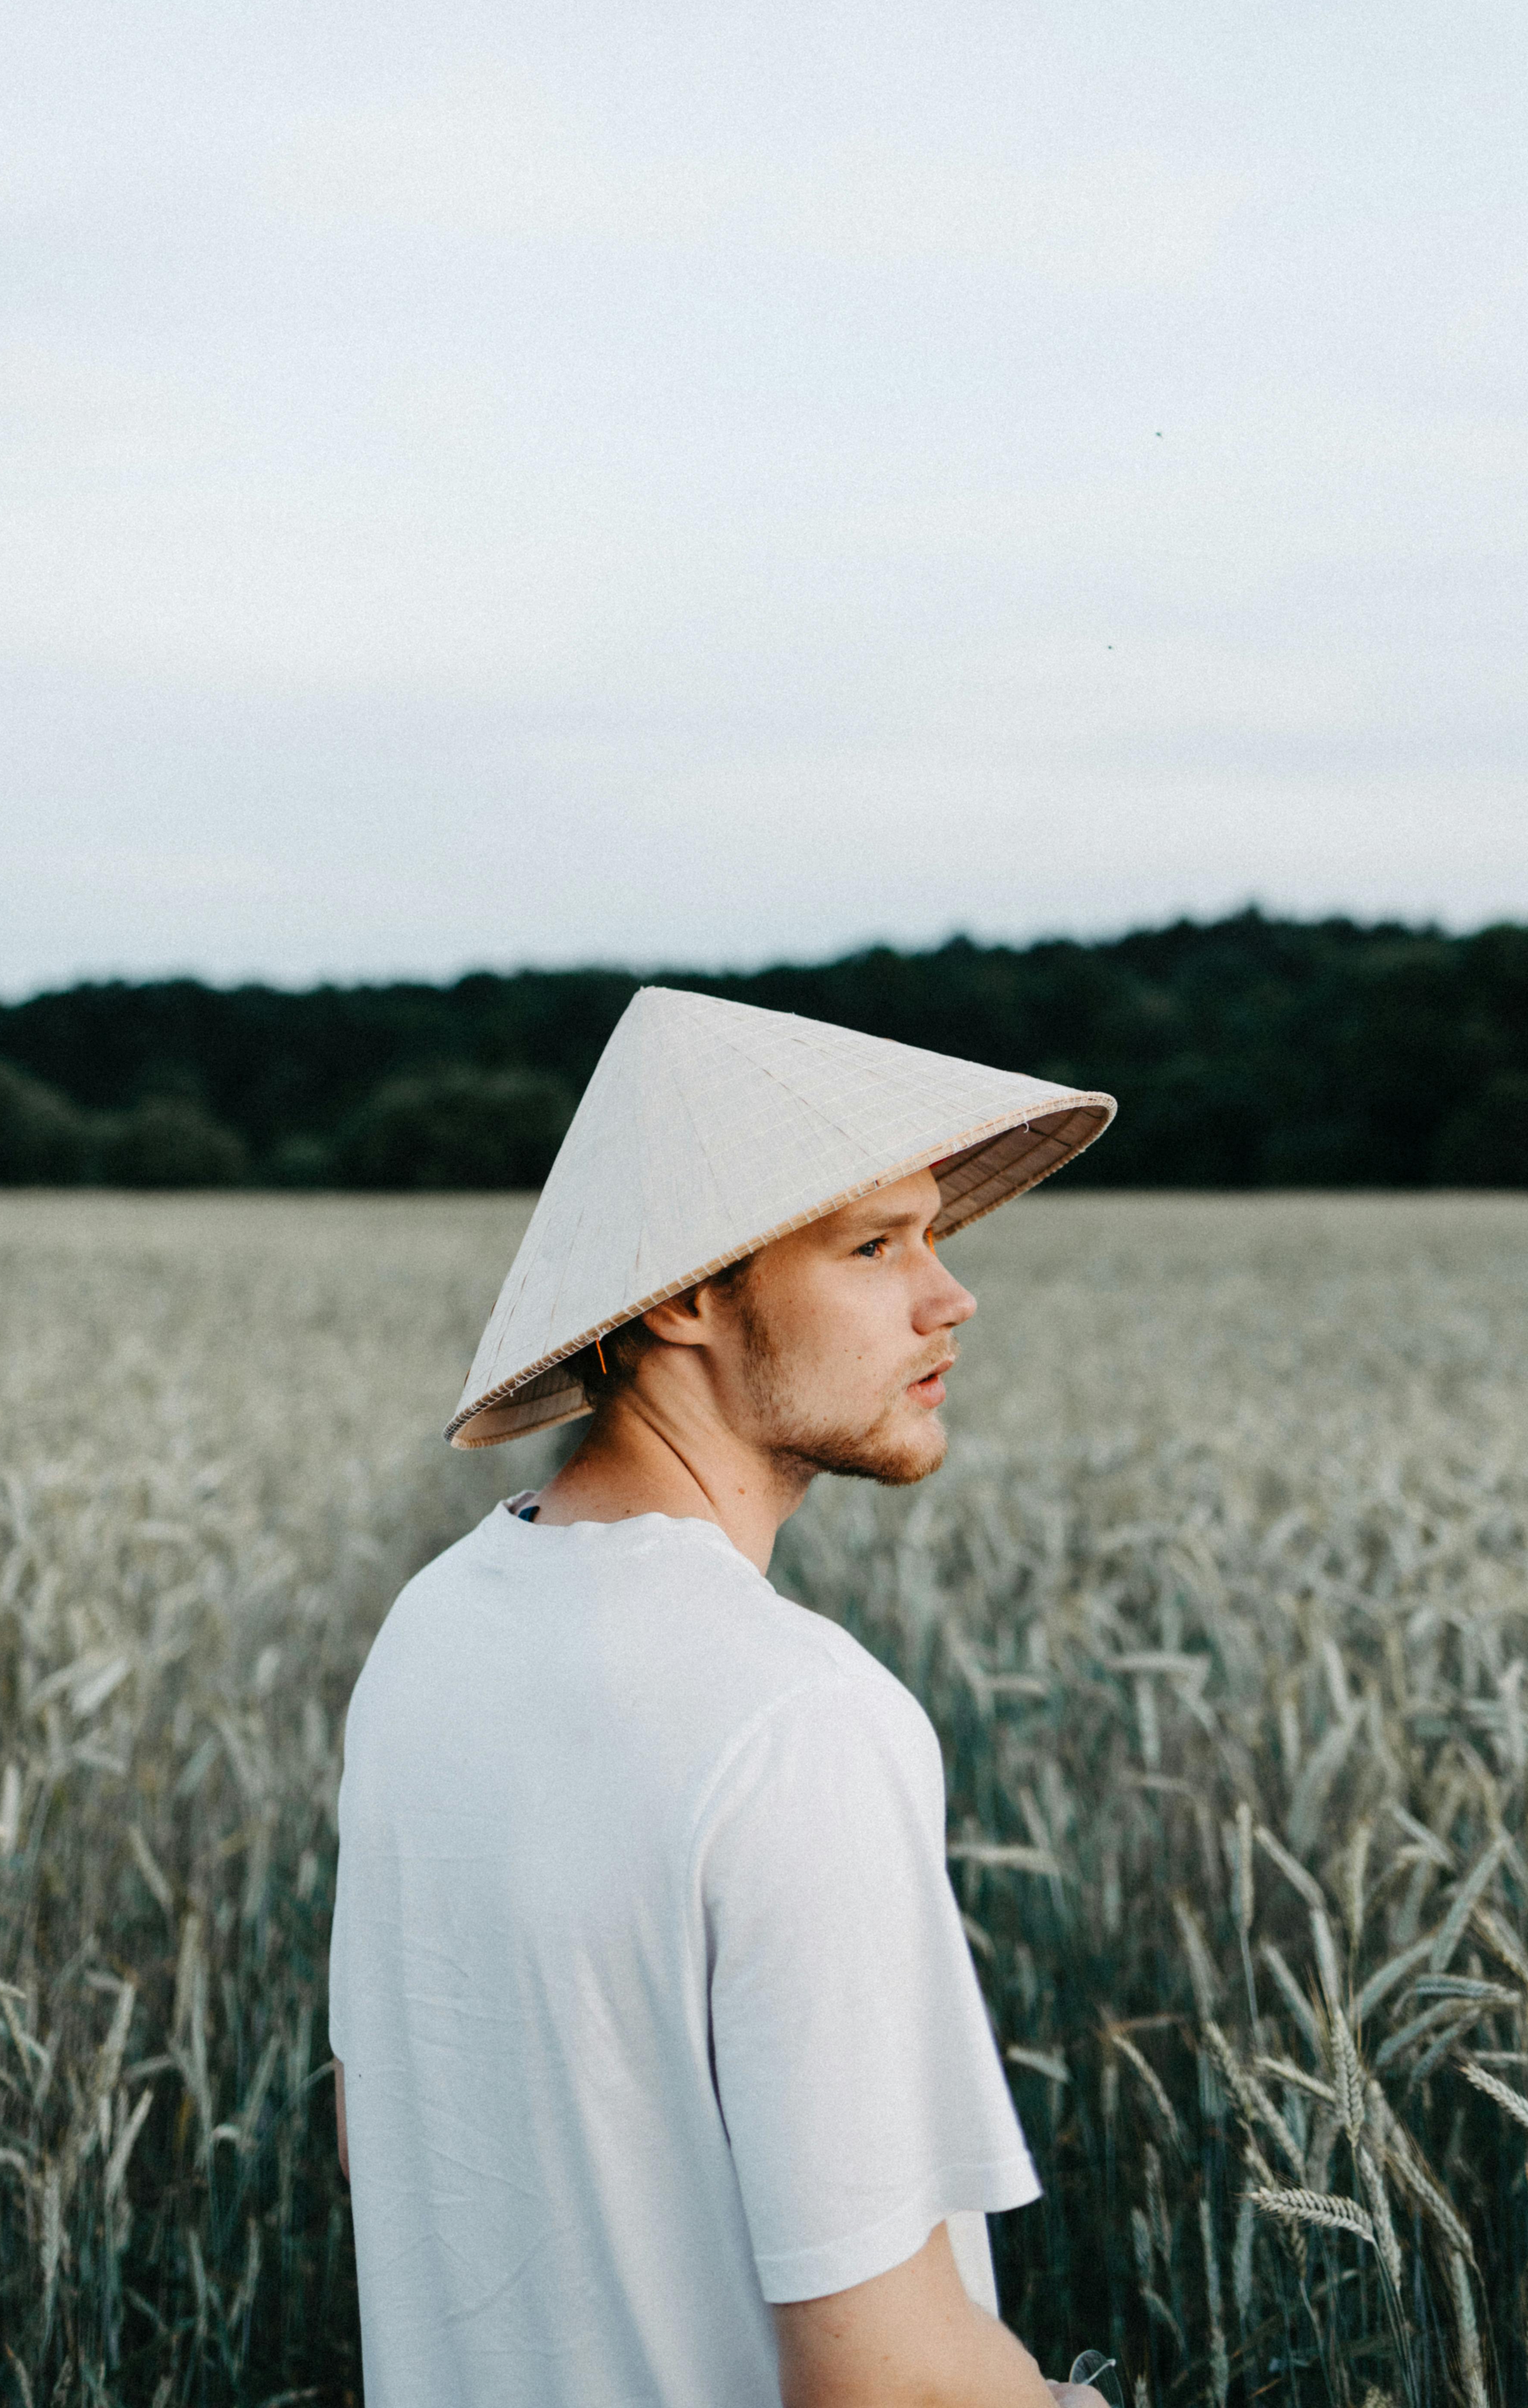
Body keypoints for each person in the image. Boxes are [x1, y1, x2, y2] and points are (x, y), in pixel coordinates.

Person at [329, 986, 1116, 2406]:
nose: (951, 1296)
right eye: (874, 1244)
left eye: (936, 1235)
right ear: (688, 1290)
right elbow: (893, 2382)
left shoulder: (432, 1631)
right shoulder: (794, 1720)